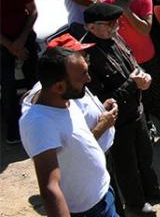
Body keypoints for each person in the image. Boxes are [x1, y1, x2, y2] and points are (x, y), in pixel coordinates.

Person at [80, 2, 160, 214]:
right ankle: (136, 203)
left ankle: (152, 190)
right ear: (91, 27)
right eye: (109, 23)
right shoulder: (85, 57)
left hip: (136, 111)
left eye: (116, 22)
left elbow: (132, 63)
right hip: (117, 122)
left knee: (145, 156)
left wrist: (144, 76)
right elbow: (99, 100)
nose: (116, 26)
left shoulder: (114, 37)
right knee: (126, 166)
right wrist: (132, 84)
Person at [20, 47, 119, 217]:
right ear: (58, 87)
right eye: (82, 77)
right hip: (88, 210)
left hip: (102, 193)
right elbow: (50, 187)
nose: (88, 79)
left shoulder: (59, 96)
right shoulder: (39, 124)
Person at [0, 0, 39, 144]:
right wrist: (11, 47)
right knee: (7, 87)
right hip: (3, 45)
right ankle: (14, 128)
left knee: (35, 81)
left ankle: (37, 122)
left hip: (25, 38)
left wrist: (21, 41)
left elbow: (33, 12)